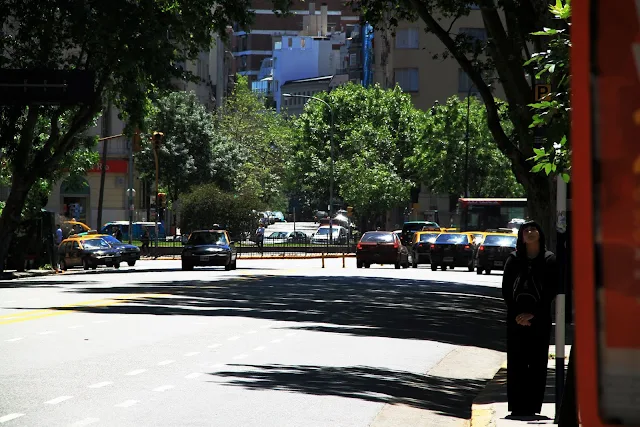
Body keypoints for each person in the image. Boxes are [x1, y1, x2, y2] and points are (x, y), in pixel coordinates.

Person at [502, 220, 558, 418]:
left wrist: (533, 314)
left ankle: (532, 407)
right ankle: (517, 407)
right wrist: (518, 314)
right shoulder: (514, 259)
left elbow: (552, 291)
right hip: (515, 319)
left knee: (537, 362)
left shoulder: (550, 260)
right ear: (521, 236)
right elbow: (507, 290)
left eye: (534, 229)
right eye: (526, 230)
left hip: (540, 318)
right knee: (517, 362)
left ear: (540, 234)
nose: (531, 232)